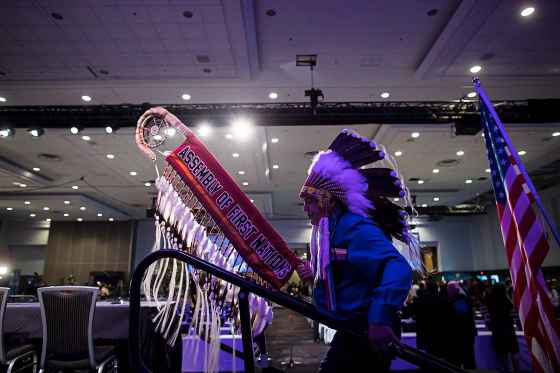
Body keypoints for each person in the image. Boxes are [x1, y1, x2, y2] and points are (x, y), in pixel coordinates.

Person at [294, 129, 421, 373]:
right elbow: (348, 284)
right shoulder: (333, 231)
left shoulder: (354, 226)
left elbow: (398, 268)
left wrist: (379, 317)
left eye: (309, 201)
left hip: (370, 324)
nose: (306, 209)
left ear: (327, 199)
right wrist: (315, 278)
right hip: (357, 326)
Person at [485, 284, 520, 373]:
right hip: (508, 328)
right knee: (514, 351)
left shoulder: (490, 299)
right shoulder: (506, 299)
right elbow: (513, 307)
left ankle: (506, 370)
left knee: (502, 353)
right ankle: (517, 370)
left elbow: (487, 309)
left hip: (497, 329)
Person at [447, 281, 477, 369]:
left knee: (462, 358)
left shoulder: (458, 299)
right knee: (468, 357)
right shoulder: (464, 298)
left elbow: (461, 316)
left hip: (461, 333)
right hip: (466, 332)